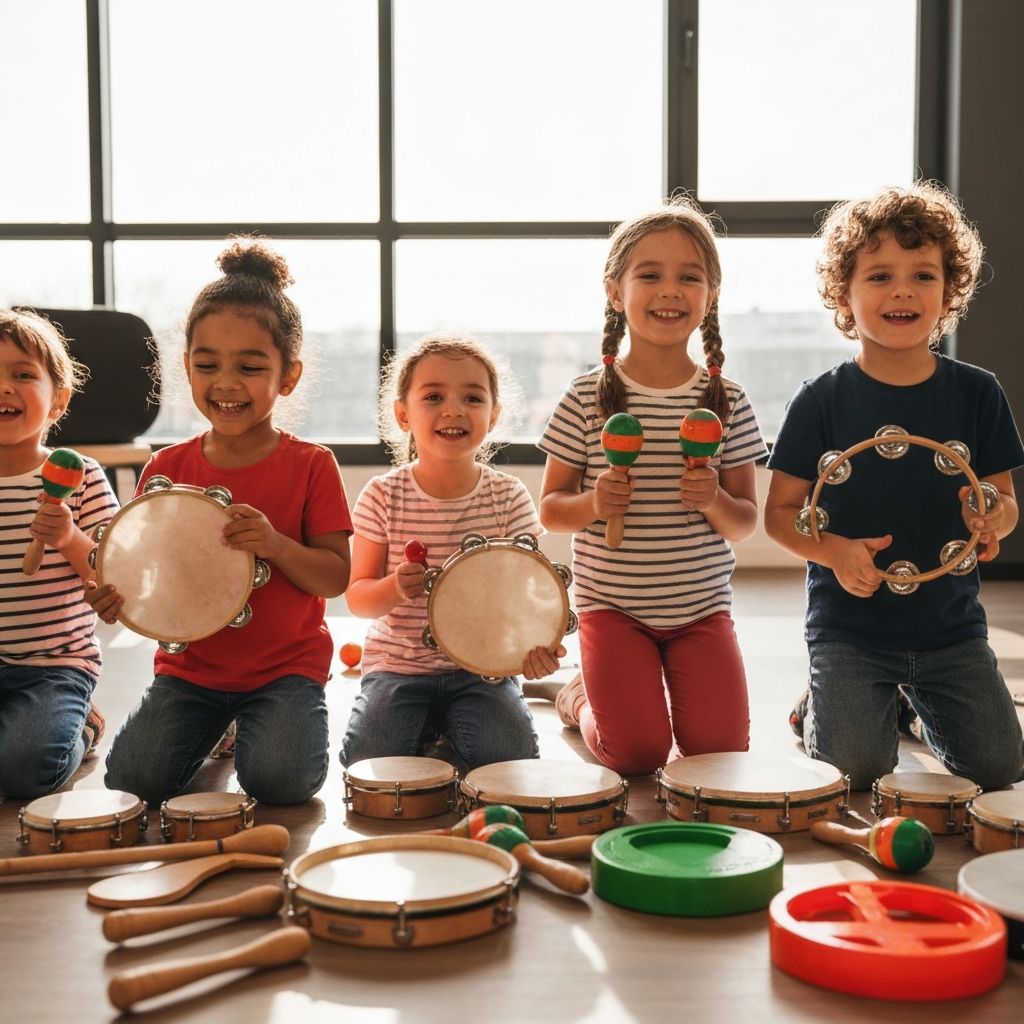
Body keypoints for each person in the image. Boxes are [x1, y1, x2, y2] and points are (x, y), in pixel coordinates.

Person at [764, 181, 1024, 791]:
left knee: (999, 766)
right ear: (844, 294)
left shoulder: (978, 392)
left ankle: (909, 706)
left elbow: (1003, 500)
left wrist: (994, 522)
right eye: (879, 276)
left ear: (948, 291)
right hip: (850, 630)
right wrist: (832, 551)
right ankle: (816, 709)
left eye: (922, 275)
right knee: (854, 771)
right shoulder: (819, 400)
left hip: (950, 628)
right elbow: (779, 514)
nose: (902, 289)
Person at [90, 240, 352, 806]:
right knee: (131, 781)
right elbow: (152, 574)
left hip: (285, 670)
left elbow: (334, 578)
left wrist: (276, 545)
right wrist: (119, 598)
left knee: (281, 782)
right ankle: (219, 728)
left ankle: (248, 728)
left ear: (288, 376)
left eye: (250, 367)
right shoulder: (166, 467)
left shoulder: (312, 464)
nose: (226, 382)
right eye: (207, 364)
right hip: (191, 673)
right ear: (186, 368)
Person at [537, 198, 767, 776]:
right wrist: (593, 503)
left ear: (709, 295)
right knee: (637, 756)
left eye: (689, 277)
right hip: (612, 609)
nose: (670, 290)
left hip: (700, 610)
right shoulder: (584, 397)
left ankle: (626, 694)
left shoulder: (728, 400)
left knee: (718, 754)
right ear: (616, 291)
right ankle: (579, 696)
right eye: (650, 275)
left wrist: (713, 498)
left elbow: (744, 521)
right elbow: (552, 511)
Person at [339, 334, 562, 772]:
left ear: (493, 415)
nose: (453, 409)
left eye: (472, 397)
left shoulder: (508, 497)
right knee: (368, 760)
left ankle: (443, 726)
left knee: (511, 759)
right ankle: (434, 727)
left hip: (482, 669)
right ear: (403, 414)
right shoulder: (383, 495)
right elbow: (357, 597)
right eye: (434, 396)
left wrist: (537, 646)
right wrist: (394, 587)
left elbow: (526, 596)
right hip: (397, 666)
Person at [0, 308, 117, 798]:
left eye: (22, 375)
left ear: (57, 402)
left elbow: (114, 571)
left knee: (25, 771)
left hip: (54, 666)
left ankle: (81, 725)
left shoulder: (81, 475)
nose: (4, 388)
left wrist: (69, 537)